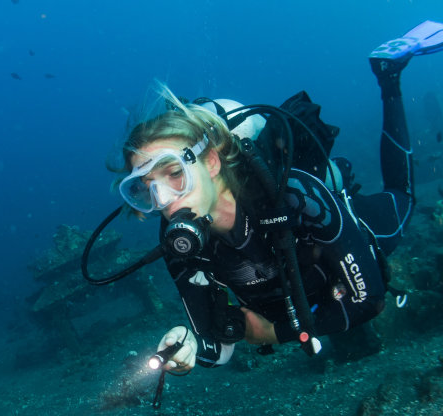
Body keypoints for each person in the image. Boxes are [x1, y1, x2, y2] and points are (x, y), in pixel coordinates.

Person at [113, 21, 443, 373]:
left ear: (210, 162)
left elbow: (370, 301)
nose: (163, 199)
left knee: (402, 198)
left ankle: (388, 77)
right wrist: (189, 347)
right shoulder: (178, 242)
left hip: (342, 249)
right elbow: (218, 346)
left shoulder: (297, 196)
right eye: (145, 187)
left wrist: (277, 333)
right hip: (302, 299)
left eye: (175, 173)